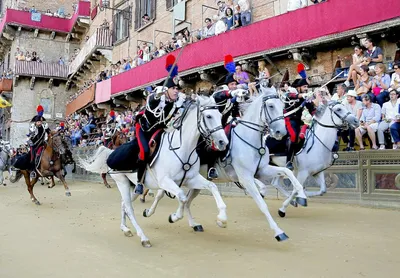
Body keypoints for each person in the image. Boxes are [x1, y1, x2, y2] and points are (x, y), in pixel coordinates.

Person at [134, 54, 186, 195]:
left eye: (177, 89)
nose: (176, 91)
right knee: (144, 151)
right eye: (173, 88)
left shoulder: (175, 103)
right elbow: (152, 102)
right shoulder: (156, 98)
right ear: (166, 89)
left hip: (159, 130)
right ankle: (139, 181)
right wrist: (157, 96)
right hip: (143, 129)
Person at [201, 55, 246, 180]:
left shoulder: (234, 96)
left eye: (235, 84)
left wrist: (237, 118)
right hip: (210, 126)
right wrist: (231, 92)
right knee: (212, 146)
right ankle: (211, 168)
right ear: (227, 85)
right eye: (232, 84)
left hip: (223, 124)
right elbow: (222, 96)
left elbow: (235, 110)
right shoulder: (220, 93)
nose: (234, 86)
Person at [283, 78, 316, 170]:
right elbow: (292, 96)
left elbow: (312, 110)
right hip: (288, 119)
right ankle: (288, 161)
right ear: (298, 87)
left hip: (298, 121)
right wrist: (303, 95)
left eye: (307, 87)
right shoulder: (291, 92)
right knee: (293, 136)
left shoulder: (305, 96)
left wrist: (316, 115)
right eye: (304, 86)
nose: (306, 88)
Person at [28, 105, 50, 178]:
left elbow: (48, 132)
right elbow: (31, 134)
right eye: (38, 122)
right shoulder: (33, 127)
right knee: (33, 157)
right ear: (36, 122)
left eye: (40, 121)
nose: (39, 123)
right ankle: (32, 171)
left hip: (42, 144)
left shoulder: (44, 125)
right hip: (34, 144)